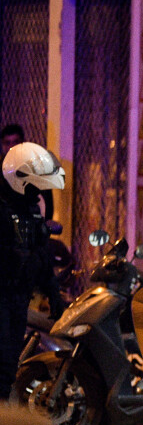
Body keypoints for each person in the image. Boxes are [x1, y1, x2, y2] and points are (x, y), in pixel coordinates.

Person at [1, 142, 66, 396]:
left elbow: (41, 253)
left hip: (18, 299)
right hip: (3, 296)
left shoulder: (30, 210)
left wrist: (54, 293)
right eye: (34, 185)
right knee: (3, 364)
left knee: (8, 368)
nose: (38, 193)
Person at [1, 124, 53, 221]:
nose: (11, 147)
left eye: (15, 142)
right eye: (7, 143)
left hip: (28, 226)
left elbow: (46, 205)